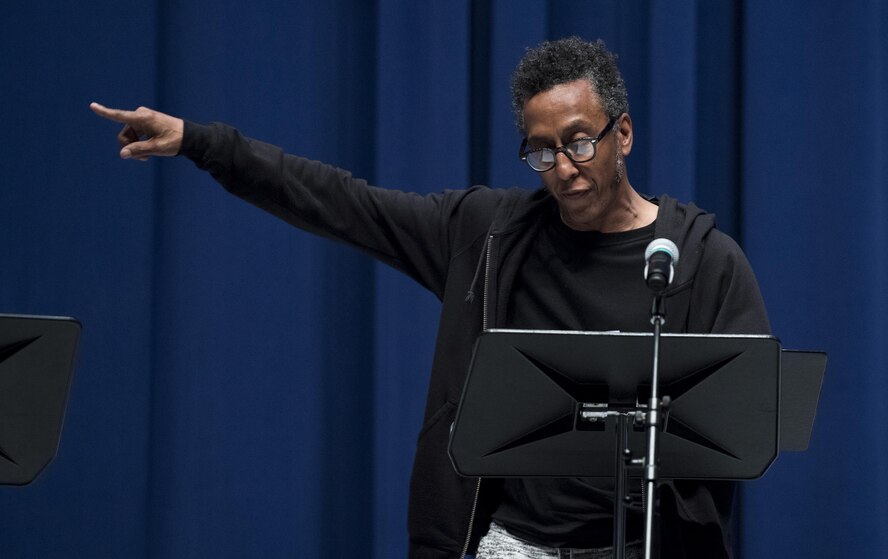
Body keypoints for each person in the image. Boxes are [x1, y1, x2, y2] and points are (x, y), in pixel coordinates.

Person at [92, 37, 769, 559]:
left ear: (622, 134)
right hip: (510, 544)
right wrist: (203, 143)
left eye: (580, 142)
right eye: (540, 152)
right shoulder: (488, 235)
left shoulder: (704, 261)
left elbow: (743, 429)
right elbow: (343, 202)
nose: (563, 168)